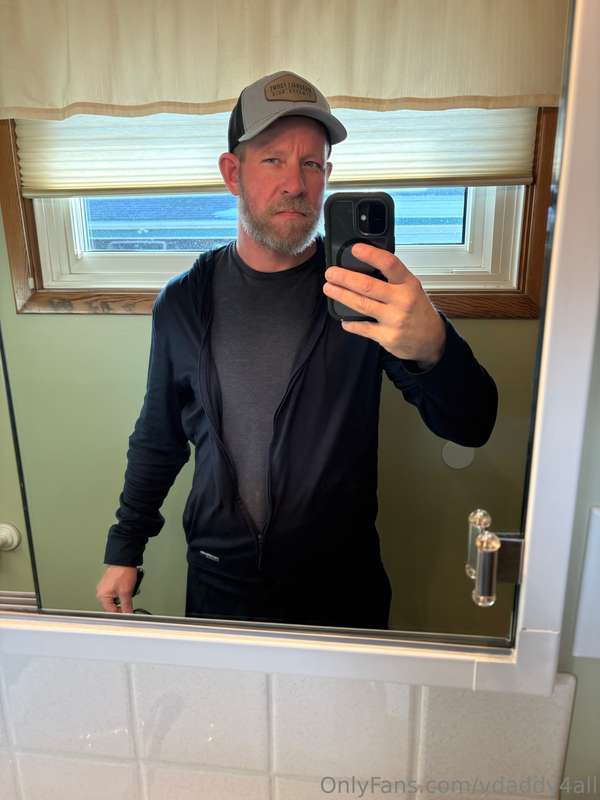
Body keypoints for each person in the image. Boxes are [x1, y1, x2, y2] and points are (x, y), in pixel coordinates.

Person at [96, 71, 497, 629]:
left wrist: (435, 346)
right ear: (232, 173)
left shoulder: (364, 295)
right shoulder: (184, 302)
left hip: (340, 587)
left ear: (327, 176)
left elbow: (472, 424)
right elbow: (159, 438)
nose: (295, 183)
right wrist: (125, 548)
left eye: (312, 163)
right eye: (273, 160)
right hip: (218, 579)